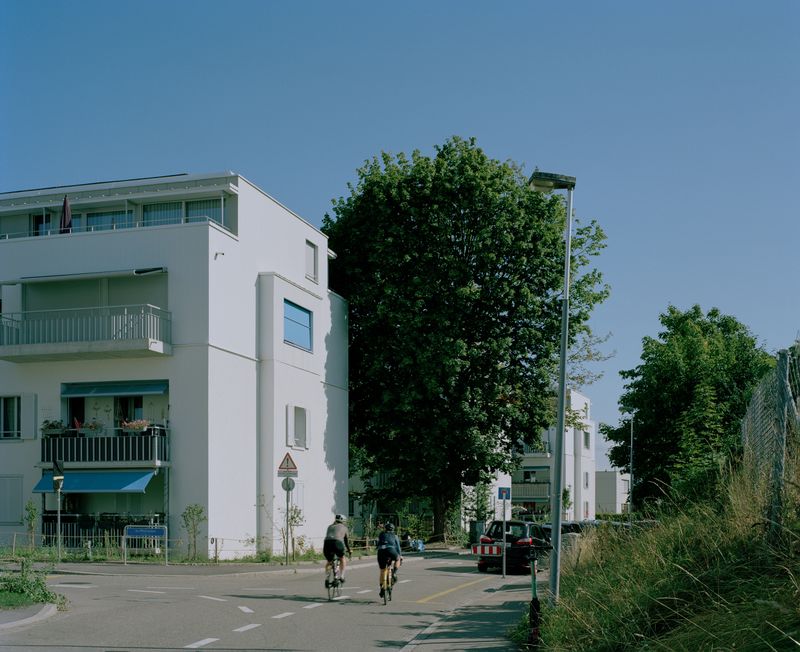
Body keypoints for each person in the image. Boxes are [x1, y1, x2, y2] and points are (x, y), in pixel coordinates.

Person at [376, 522, 403, 597]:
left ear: (385, 529)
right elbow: (398, 547)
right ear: (393, 529)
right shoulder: (395, 536)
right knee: (397, 559)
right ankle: (394, 573)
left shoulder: (381, 534)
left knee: (382, 570)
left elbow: (378, 543)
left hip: (381, 551)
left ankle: (381, 588)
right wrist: (400, 555)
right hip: (390, 550)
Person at [323, 514, 351, 583]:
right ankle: (342, 576)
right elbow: (346, 541)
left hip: (327, 544)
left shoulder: (329, 526)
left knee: (329, 561)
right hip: (337, 543)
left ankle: (327, 577)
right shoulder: (344, 527)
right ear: (343, 521)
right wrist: (349, 550)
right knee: (342, 558)